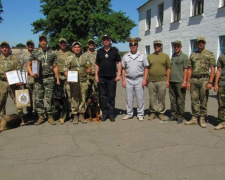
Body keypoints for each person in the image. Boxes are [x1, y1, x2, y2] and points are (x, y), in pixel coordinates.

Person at [27, 35, 60, 125]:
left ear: (47, 41)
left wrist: (57, 79)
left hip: (49, 78)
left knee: (49, 98)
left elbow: (55, 66)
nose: (43, 42)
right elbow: (29, 64)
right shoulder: (35, 53)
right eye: (41, 40)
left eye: (44, 40)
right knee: (39, 98)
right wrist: (30, 73)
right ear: (39, 42)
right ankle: (41, 116)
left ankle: (50, 116)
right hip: (38, 79)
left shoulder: (52, 52)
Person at [185, 36, 216, 128]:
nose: (201, 43)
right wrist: (188, 81)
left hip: (204, 79)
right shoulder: (193, 54)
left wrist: (210, 82)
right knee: (194, 99)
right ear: (197, 43)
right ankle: (194, 117)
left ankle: (202, 117)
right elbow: (190, 69)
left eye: (202, 42)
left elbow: (213, 69)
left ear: (205, 43)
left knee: (203, 99)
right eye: (199, 42)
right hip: (194, 79)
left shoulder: (209, 54)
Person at [95, 34, 122, 122]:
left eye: (107, 39)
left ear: (110, 40)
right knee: (104, 96)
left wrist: (119, 74)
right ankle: (104, 113)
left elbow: (119, 62)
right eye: (104, 39)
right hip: (102, 77)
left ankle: (111, 113)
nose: (105, 41)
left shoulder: (114, 51)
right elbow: (97, 64)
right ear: (102, 41)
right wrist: (96, 75)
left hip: (112, 78)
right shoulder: (99, 51)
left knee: (111, 96)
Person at [122, 37, 149, 121]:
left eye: (135, 44)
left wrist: (145, 79)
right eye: (131, 44)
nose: (133, 46)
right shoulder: (126, 56)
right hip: (128, 79)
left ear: (137, 45)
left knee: (140, 97)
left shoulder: (142, 55)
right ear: (129, 46)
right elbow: (123, 68)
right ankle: (129, 113)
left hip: (139, 79)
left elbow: (146, 68)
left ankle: (140, 114)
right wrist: (123, 80)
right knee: (129, 98)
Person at [64, 41, 89, 124]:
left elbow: (89, 67)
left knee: (82, 98)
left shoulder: (85, 58)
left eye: (78, 47)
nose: (77, 48)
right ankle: (74, 115)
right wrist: (69, 79)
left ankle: (81, 114)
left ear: (80, 48)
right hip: (73, 82)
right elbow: (65, 70)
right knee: (74, 98)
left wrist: (89, 69)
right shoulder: (69, 58)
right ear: (72, 49)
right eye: (75, 47)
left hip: (83, 81)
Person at [0, 41, 24, 124]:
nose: (4, 49)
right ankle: (2, 119)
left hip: (14, 83)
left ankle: (20, 118)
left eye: (6, 47)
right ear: (1, 49)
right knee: (1, 101)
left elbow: (19, 69)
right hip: (2, 83)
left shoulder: (15, 58)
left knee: (17, 101)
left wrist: (19, 80)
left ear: (9, 48)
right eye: (3, 47)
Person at [147, 40, 171, 121]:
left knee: (161, 97)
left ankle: (161, 113)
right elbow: (147, 68)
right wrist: (146, 80)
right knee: (152, 98)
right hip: (151, 81)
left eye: (158, 45)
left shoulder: (165, 56)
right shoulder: (150, 56)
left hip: (162, 81)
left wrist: (167, 80)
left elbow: (168, 69)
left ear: (161, 46)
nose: (156, 46)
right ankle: (153, 112)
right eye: (155, 45)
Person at [168, 40, 188, 124]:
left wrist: (184, 81)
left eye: (177, 46)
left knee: (180, 99)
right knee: (173, 99)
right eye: (175, 46)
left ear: (180, 47)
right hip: (172, 81)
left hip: (180, 81)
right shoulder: (173, 56)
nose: (176, 48)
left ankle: (180, 116)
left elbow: (186, 69)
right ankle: (173, 115)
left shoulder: (184, 56)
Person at [55, 38, 72, 124]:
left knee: (69, 95)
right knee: (59, 97)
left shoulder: (70, 53)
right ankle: (60, 114)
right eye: (61, 43)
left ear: (66, 43)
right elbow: (54, 66)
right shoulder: (56, 53)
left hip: (68, 77)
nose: (63, 44)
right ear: (59, 44)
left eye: (64, 43)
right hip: (59, 77)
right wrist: (57, 78)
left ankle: (70, 113)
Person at [20, 39, 35, 117]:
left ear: (34, 46)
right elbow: (20, 66)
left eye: (31, 45)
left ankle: (37, 111)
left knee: (37, 95)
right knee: (28, 95)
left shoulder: (36, 54)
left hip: (36, 77)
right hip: (26, 77)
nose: (30, 46)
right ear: (26, 46)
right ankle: (29, 111)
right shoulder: (23, 55)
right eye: (29, 45)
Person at [213, 53, 225, 130]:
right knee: (221, 104)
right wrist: (216, 84)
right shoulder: (222, 56)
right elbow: (218, 70)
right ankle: (222, 122)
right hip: (222, 83)